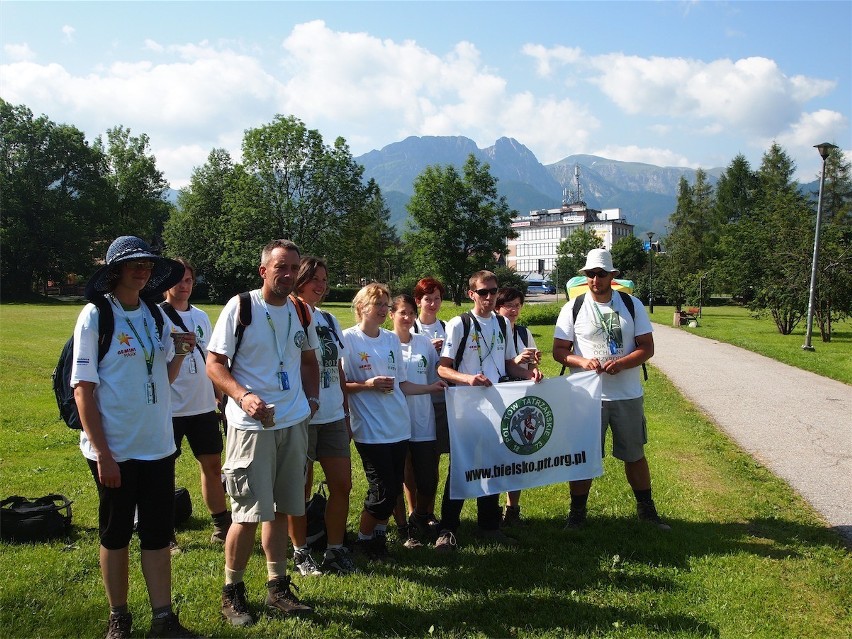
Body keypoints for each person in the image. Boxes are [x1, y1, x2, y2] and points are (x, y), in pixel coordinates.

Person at [71, 236, 198, 639]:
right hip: (116, 449)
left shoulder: (154, 315)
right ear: (115, 271)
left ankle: (163, 619)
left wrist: (178, 354)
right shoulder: (96, 316)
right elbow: (83, 389)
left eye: (146, 264)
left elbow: (163, 375)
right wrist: (104, 454)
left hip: (158, 446)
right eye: (133, 265)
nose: (141, 270)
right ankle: (119, 620)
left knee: (158, 535)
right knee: (116, 533)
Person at [207, 239, 320, 627]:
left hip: (292, 422)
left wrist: (312, 399)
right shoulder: (241, 307)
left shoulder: (301, 311)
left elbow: (308, 359)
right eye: (280, 267)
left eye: (293, 268)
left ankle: (278, 586)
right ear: (264, 270)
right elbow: (214, 364)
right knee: (249, 513)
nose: (287, 275)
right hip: (251, 426)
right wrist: (243, 396)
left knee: (285, 509)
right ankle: (232, 592)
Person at [552, 248, 669, 531]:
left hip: (626, 394)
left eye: (601, 274)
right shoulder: (573, 308)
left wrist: (623, 363)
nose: (595, 280)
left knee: (634, 454)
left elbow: (647, 348)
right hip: (587, 397)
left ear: (612, 276)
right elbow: (558, 351)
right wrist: (581, 361)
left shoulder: (631, 305)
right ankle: (577, 515)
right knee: (583, 454)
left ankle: (647, 511)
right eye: (590, 274)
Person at [435, 271, 543, 551]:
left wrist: (527, 375)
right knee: (462, 466)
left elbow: (507, 364)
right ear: (471, 294)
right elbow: (443, 367)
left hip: (497, 403)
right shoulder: (460, 323)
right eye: (483, 292)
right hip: (467, 406)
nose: (489, 296)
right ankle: (448, 528)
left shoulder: (502, 323)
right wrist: (468, 378)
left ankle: (489, 525)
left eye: (493, 291)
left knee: (494, 464)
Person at [341, 284, 447, 562]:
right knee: (383, 491)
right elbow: (340, 386)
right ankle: (363, 541)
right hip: (370, 429)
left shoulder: (390, 340)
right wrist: (367, 384)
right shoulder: (348, 340)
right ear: (361, 307)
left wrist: (430, 388)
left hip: (399, 427)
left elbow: (402, 385)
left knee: (392, 487)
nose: (382, 310)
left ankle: (377, 539)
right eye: (377, 304)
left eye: (385, 304)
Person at [286, 256, 356, 576]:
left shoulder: (328, 318)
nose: (322, 285)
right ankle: (300, 551)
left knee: (342, 485)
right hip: (299, 416)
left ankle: (334, 549)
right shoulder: (288, 314)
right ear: (299, 278)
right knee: (299, 489)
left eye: (325, 280)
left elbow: (338, 366)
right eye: (315, 278)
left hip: (331, 415)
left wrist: (344, 411)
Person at [161, 258, 231, 547]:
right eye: (178, 280)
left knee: (213, 466)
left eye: (188, 280)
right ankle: (166, 534)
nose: (183, 286)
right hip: (170, 408)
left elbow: (211, 359)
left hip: (202, 406)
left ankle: (221, 525)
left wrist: (221, 396)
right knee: (164, 473)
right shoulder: (155, 316)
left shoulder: (201, 316)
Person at [390, 294, 444, 547]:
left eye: (411, 313)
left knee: (428, 476)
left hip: (424, 418)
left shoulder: (423, 343)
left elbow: (437, 373)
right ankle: (403, 528)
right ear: (391, 314)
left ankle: (420, 516)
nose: (408, 317)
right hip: (394, 420)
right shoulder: (385, 343)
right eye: (402, 312)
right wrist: (430, 388)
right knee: (397, 476)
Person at [495, 286, 542, 527]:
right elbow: (495, 365)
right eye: (507, 305)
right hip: (497, 397)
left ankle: (512, 509)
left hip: (520, 399)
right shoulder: (492, 330)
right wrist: (516, 361)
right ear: (497, 307)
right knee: (496, 456)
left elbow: (531, 365)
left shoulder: (524, 333)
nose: (513, 310)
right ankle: (491, 511)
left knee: (518, 453)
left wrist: (535, 370)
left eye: (517, 305)